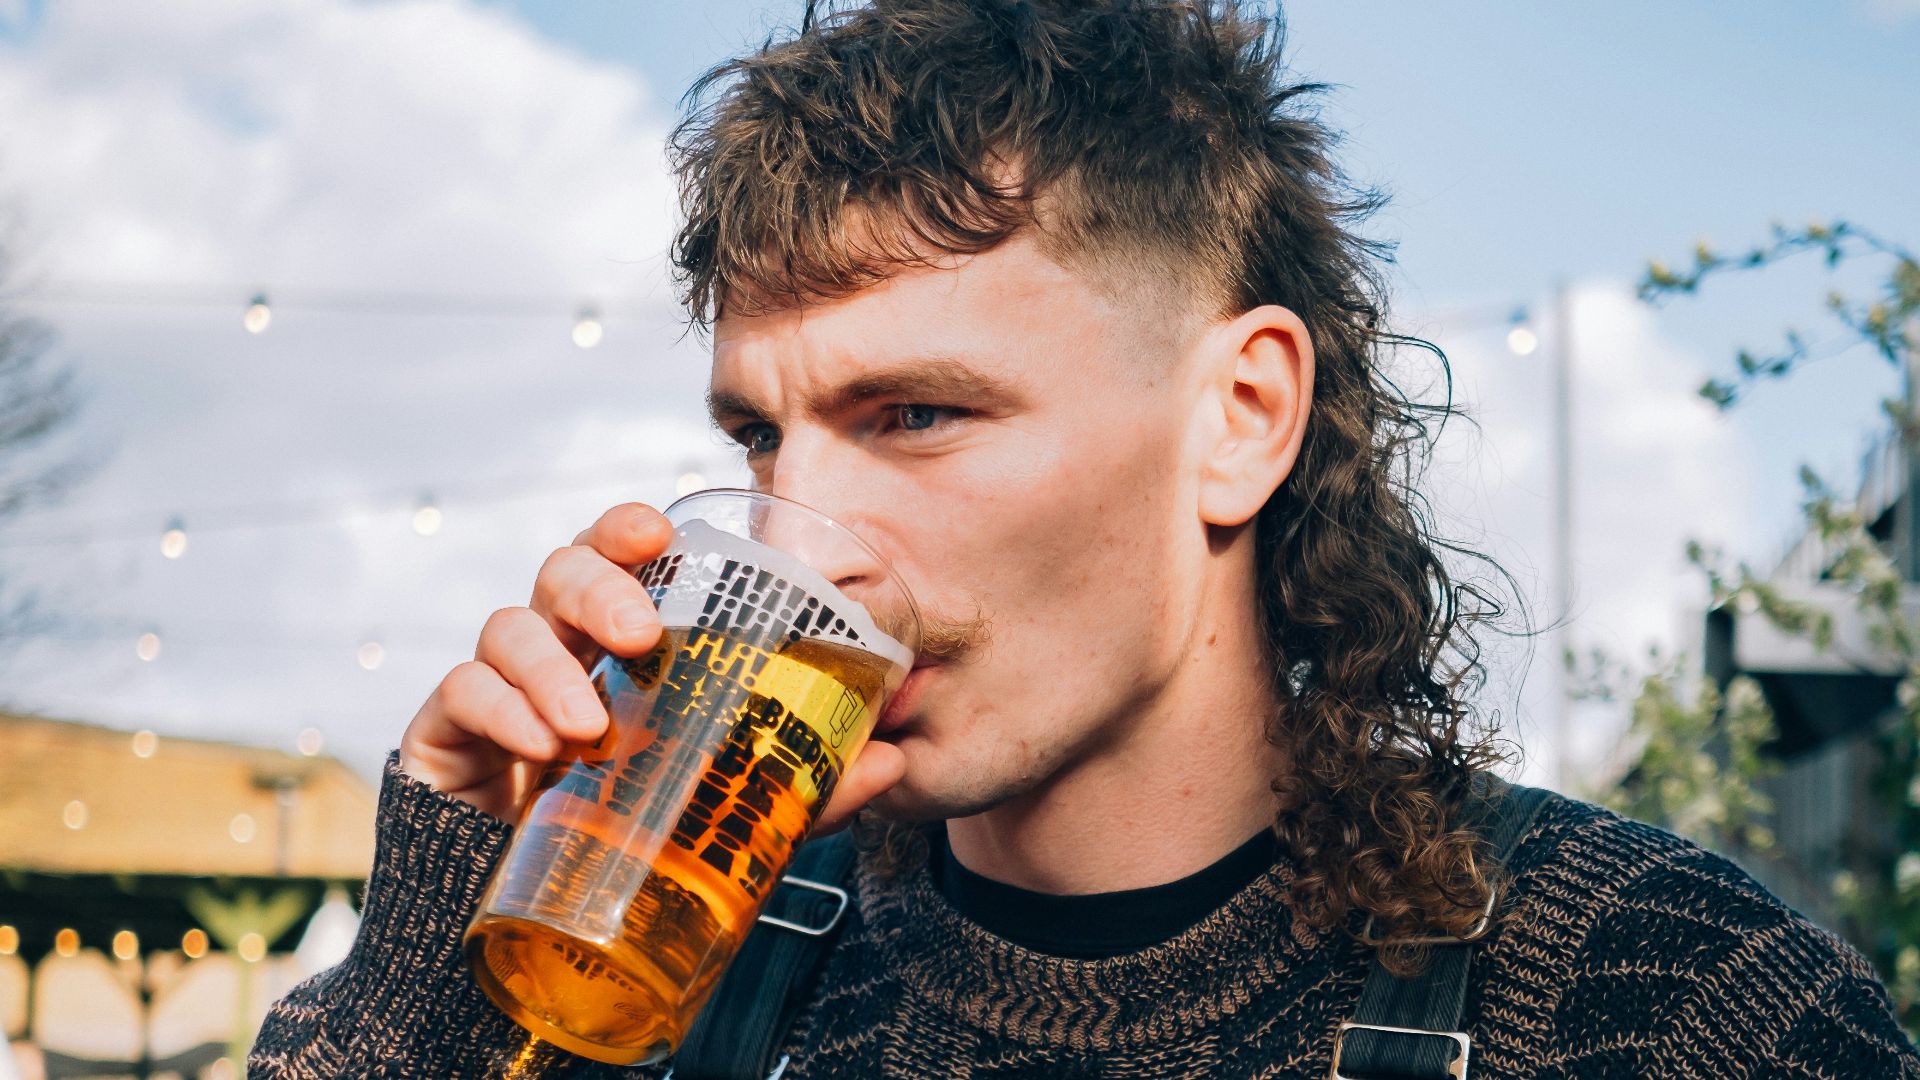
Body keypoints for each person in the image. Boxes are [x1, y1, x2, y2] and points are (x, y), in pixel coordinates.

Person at [251, 2, 1920, 1077]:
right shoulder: (686, 982)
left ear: (1240, 418)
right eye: (760, 435)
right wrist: (430, 966)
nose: (793, 544)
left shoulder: (1654, 1000)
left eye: (919, 414)